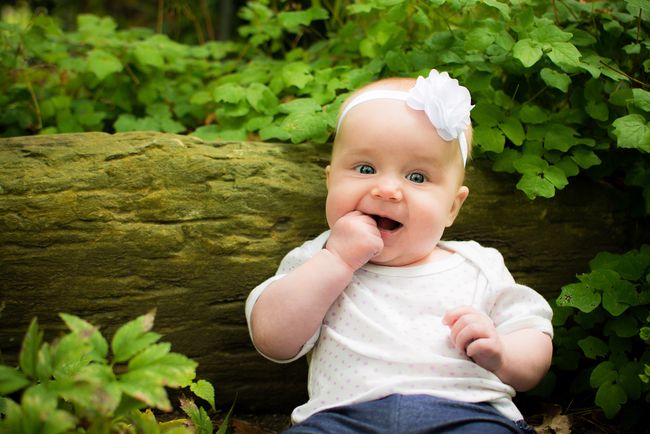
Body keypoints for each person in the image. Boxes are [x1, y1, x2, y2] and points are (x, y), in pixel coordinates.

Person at [245, 69, 553, 434]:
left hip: (467, 414)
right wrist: (338, 260)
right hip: (343, 419)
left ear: (452, 207)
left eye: (417, 177)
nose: (387, 189)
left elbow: (532, 340)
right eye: (365, 168)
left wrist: (502, 351)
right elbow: (273, 340)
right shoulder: (319, 258)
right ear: (330, 181)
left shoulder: (477, 264)